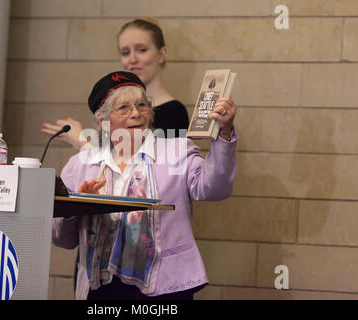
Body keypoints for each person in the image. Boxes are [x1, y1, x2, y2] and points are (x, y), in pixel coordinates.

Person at [52, 71, 237, 300]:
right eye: (124, 108)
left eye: (142, 105)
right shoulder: (80, 165)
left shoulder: (177, 151)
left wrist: (225, 133)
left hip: (165, 286)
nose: (136, 114)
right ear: (103, 121)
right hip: (101, 289)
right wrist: (78, 206)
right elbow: (63, 239)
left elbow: (214, 189)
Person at [41, 18, 189, 149]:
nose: (132, 59)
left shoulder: (174, 112)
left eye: (142, 50)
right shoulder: (109, 107)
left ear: (161, 54)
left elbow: (145, 168)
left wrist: (81, 143)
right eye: (125, 52)